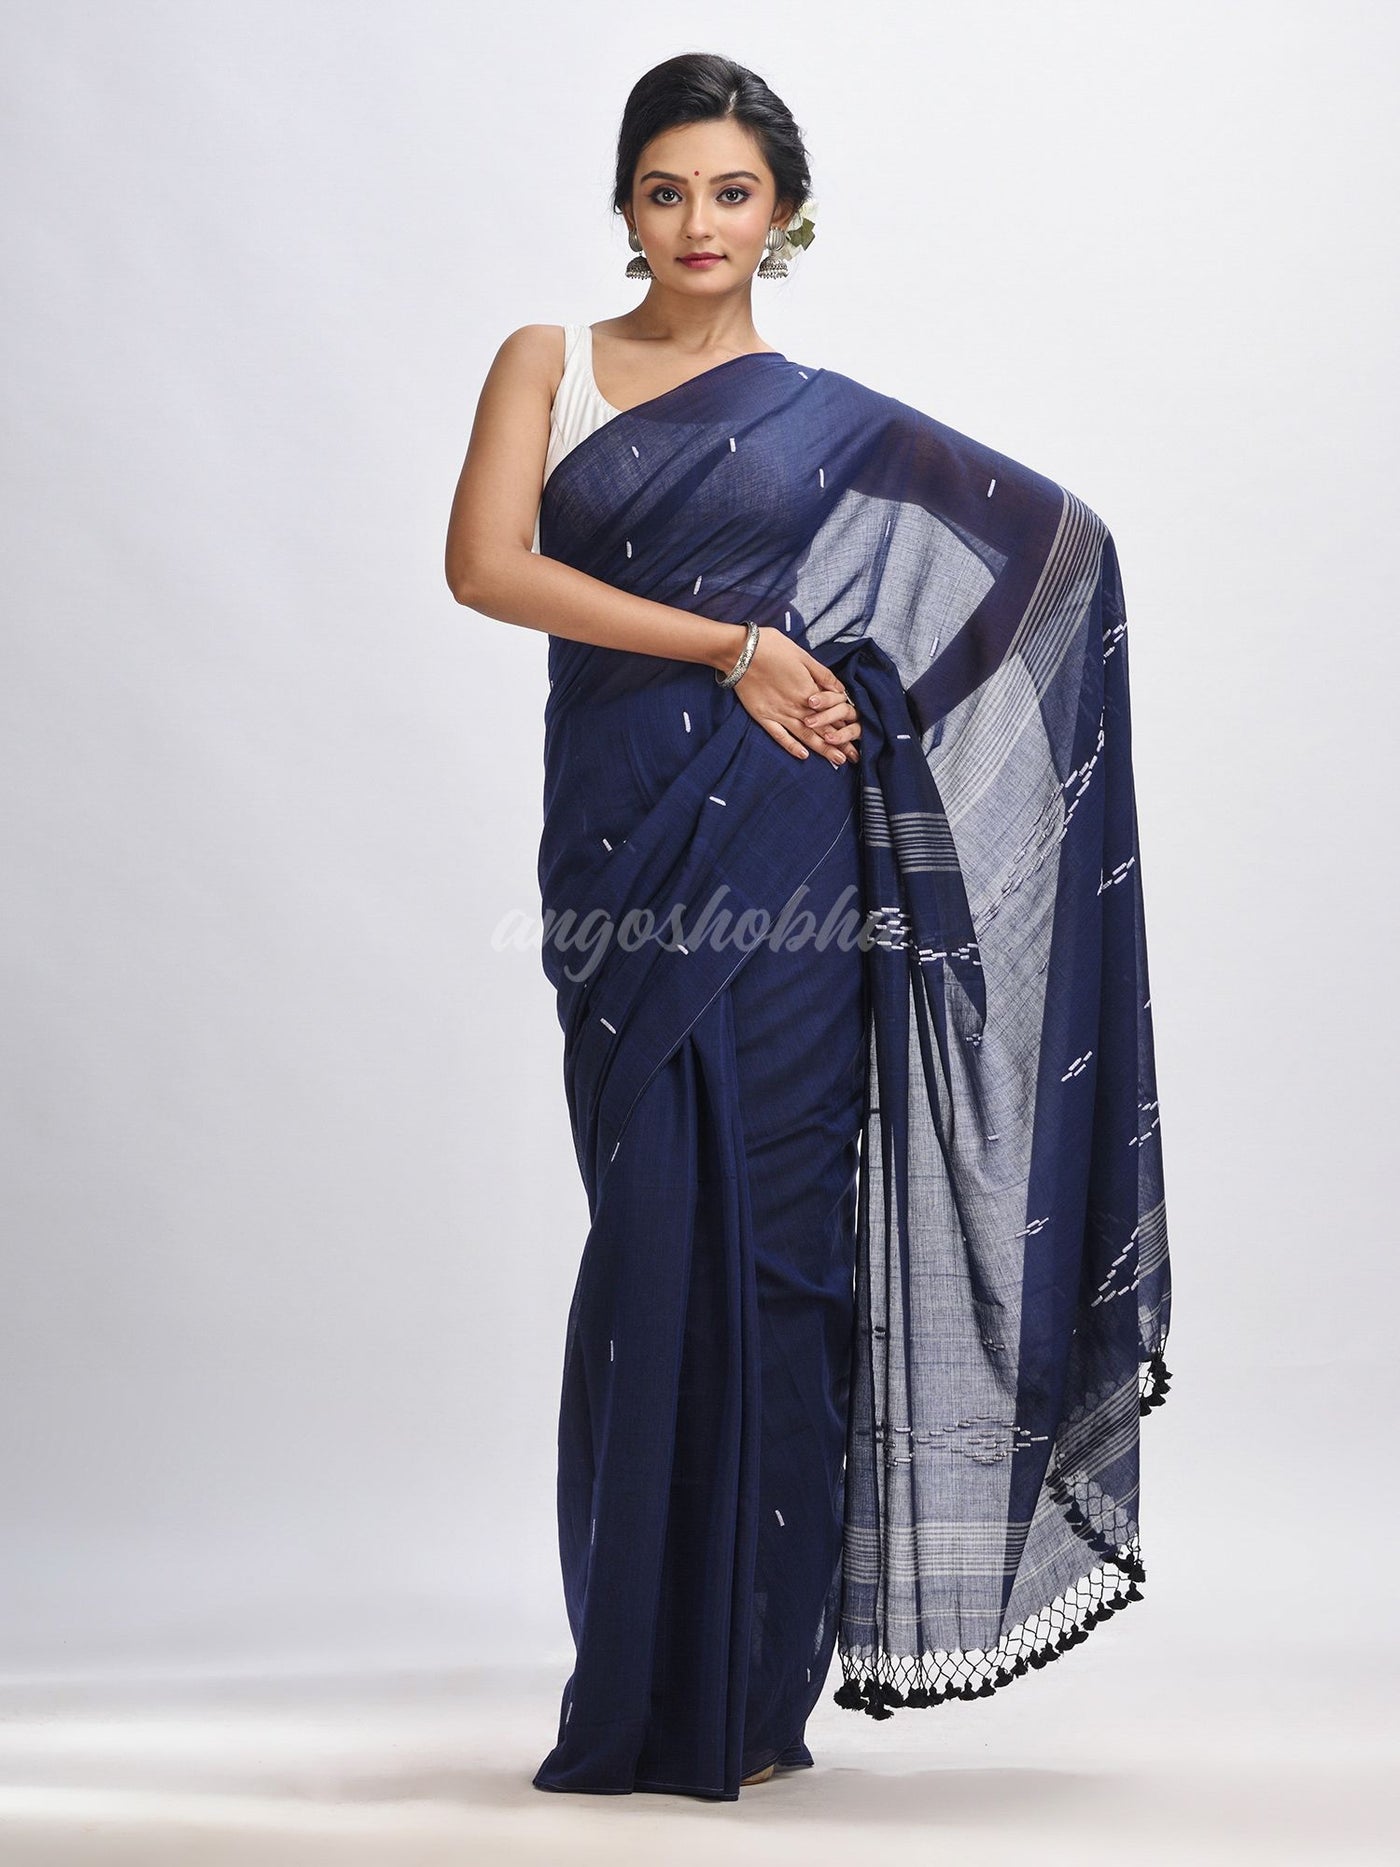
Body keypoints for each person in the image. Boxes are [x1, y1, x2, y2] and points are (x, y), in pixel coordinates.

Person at [444, 51, 1172, 1806]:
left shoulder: (826, 415)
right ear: (626, 206)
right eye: (666, 190)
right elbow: (486, 566)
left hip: (793, 845)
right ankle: (636, 1674)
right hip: (625, 839)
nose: (697, 224)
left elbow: (1055, 557)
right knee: (646, 1242)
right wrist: (744, 648)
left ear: (785, 213)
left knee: (783, 1252)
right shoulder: (549, 362)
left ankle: (750, 1690)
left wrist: (871, 690)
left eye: (732, 192)